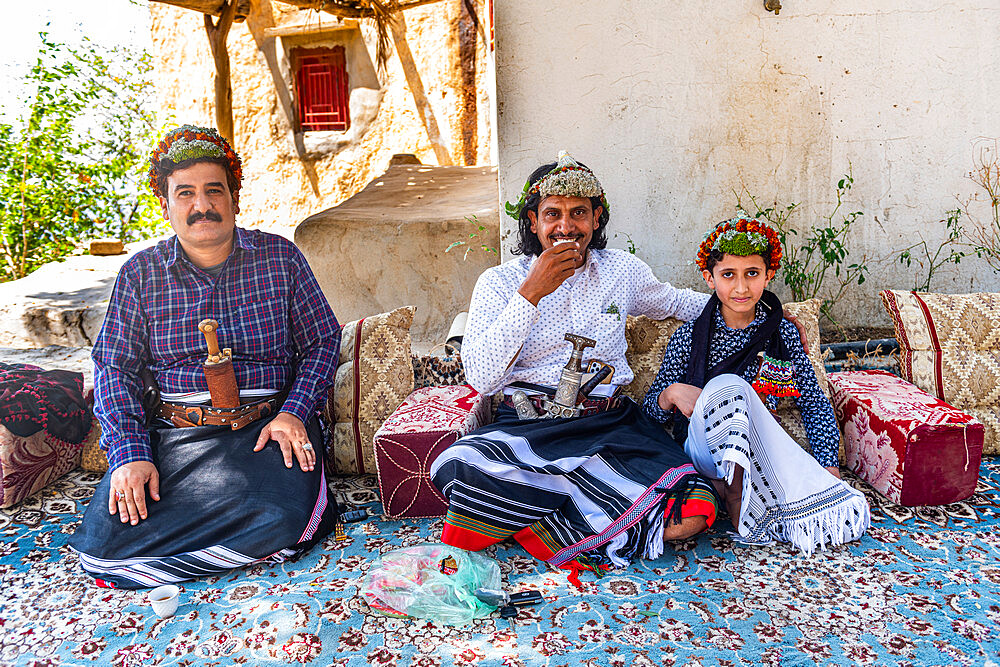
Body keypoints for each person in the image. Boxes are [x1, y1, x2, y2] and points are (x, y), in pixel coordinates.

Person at [69, 125, 341, 588]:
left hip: (266, 429)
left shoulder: (280, 258)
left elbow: (322, 341)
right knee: (104, 549)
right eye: (186, 194)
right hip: (179, 434)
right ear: (166, 205)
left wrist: (294, 414)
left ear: (234, 199)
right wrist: (131, 455)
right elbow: (114, 369)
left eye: (214, 191)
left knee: (281, 518)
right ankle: (227, 549)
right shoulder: (141, 274)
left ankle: (201, 550)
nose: (202, 206)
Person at [430, 152, 720, 582]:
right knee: (457, 466)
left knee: (696, 507)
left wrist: (757, 311)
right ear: (533, 222)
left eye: (578, 213)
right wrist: (531, 293)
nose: (566, 227)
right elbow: (482, 377)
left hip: (610, 428)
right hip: (528, 429)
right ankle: (582, 509)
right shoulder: (501, 282)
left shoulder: (620, 271)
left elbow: (677, 302)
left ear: (596, 217)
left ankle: (539, 511)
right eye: (552, 214)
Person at [641, 213, 870, 555]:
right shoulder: (689, 337)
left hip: (759, 447)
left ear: (769, 275)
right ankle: (734, 493)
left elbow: (813, 400)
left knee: (832, 499)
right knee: (729, 387)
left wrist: (828, 465)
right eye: (728, 275)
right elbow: (648, 415)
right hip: (701, 450)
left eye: (752, 274)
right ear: (709, 278)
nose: (741, 288)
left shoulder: (782, 334)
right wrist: (670, 394)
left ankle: (735, 489)